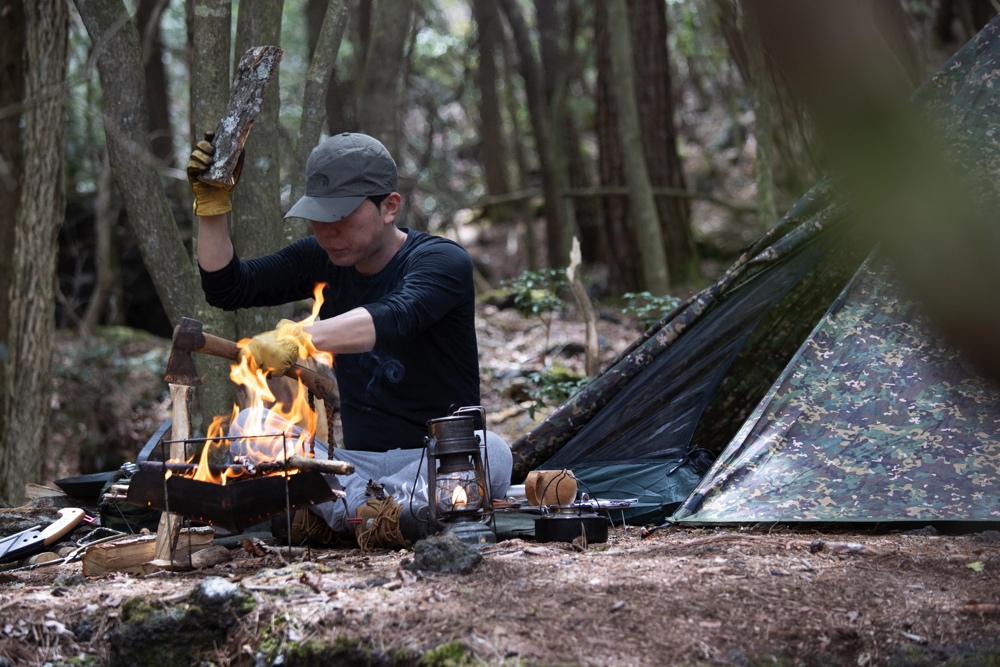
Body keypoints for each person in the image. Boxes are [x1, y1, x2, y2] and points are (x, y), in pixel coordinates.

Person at [187, 131, 511, 546]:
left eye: (341, 217)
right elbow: (228, 288)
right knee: (249, 426)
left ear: (389, 206)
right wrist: (212, 207)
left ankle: (348, 513)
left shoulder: (443, 261)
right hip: (351, 468)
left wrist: (299, 337)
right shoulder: (319, 257)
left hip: (435, 461)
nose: (327, 232)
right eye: (318, 217)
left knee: (493, 450)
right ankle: (377, 514)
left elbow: (395, 316)